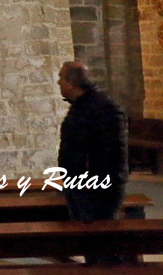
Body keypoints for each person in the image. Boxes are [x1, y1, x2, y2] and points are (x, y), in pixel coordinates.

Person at [57, 60, 128, 261]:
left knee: (100, 241)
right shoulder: (84, 105)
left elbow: (111, 154)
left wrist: (89, 184)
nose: (58, 82)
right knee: (91, 242)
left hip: (96, 189)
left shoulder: (102, 108)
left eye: (61, 78)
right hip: (83, 186)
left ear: (71, 83)